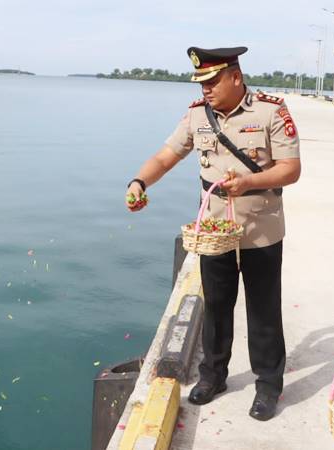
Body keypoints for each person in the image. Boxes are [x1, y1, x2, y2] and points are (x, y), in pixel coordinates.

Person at [125, 46, 301, 421]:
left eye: (212, 80)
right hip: (215, 229)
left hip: (260, 229)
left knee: (263, 310)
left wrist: (250, 180)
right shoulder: (196, 116)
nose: (206, 88)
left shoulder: (270, 110)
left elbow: (291, 169)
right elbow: (165, 157)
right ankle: (213, 377)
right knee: (217, 307)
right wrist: (141, 181)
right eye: (201, 82)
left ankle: (268, 385)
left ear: (235, 76)